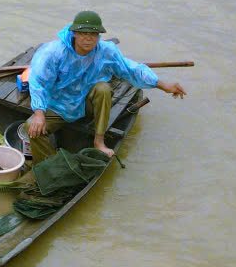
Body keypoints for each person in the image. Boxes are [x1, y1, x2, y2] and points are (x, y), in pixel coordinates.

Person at [25, 10, 187, 161]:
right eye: (83, 33)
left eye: (93, 34)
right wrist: (39, 114)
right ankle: (50, 167)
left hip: (85, 103)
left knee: (103, 88)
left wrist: (164, 85)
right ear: (74, 33)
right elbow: (38, 82)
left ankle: (99, 142)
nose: (88, 38)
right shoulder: (53, 52)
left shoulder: (106, 50)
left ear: (99, 36)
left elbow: (131, 69)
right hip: (58, 105)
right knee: (31, 128)